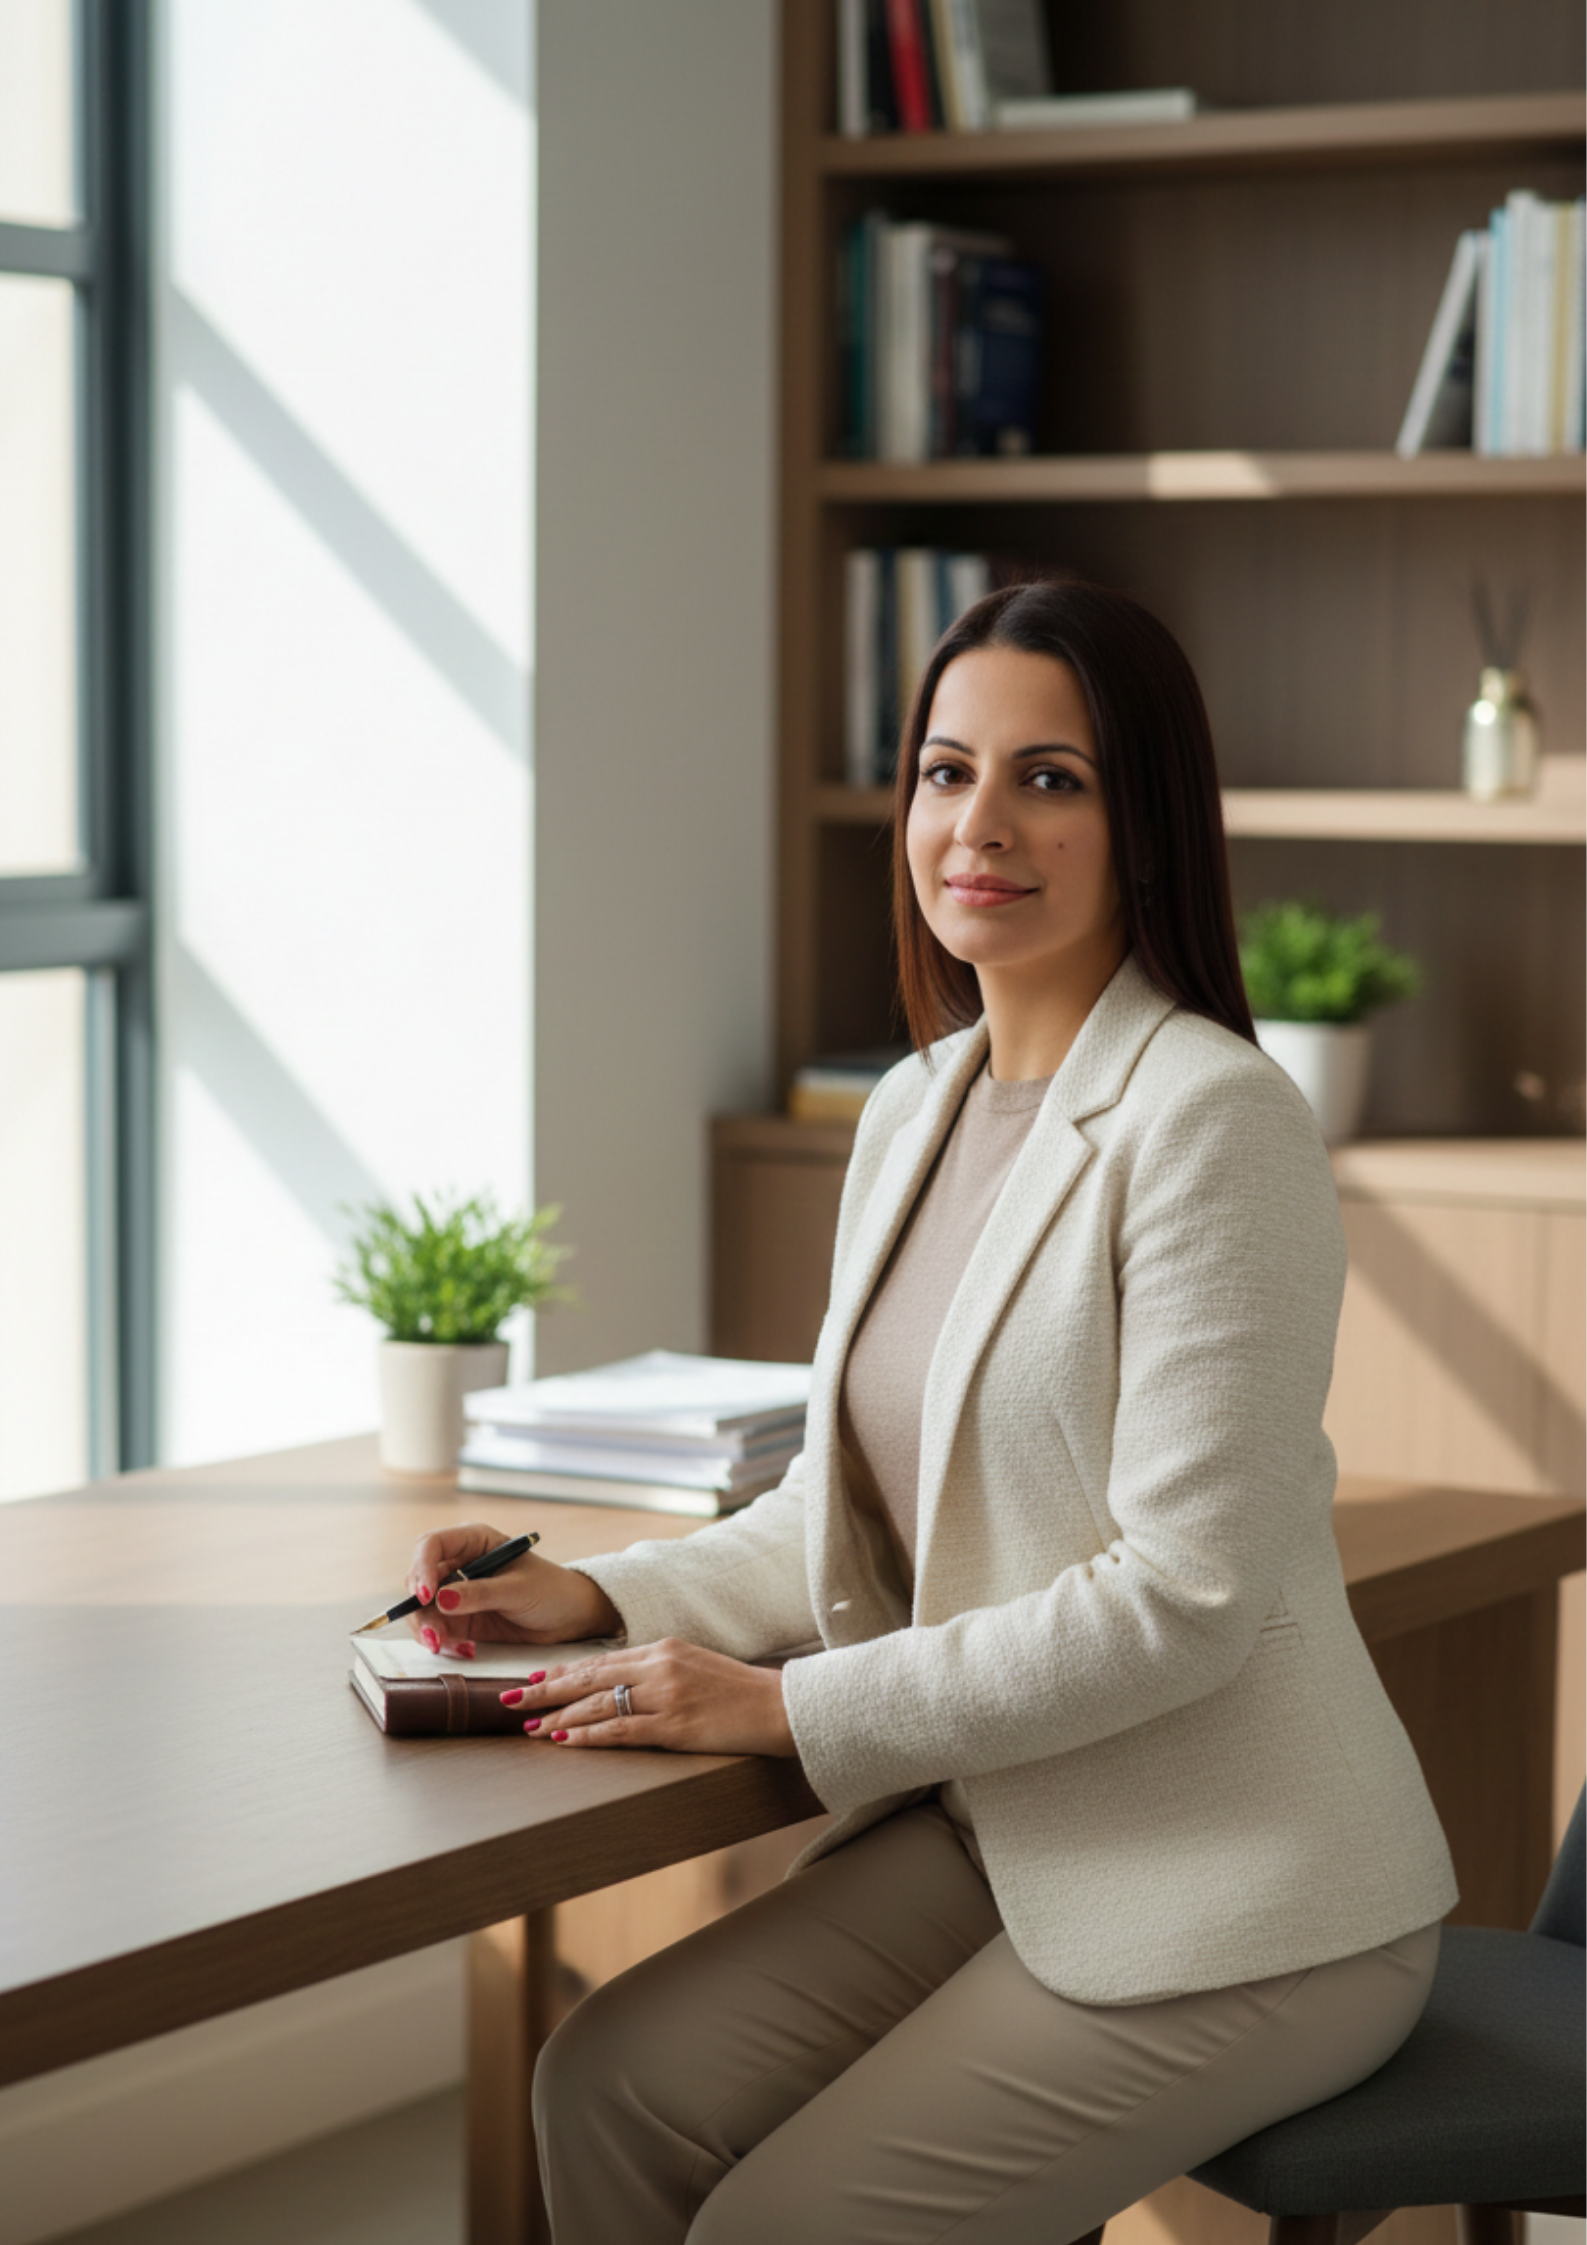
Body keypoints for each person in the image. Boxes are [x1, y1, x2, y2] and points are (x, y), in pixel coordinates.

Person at [404, 580, 1457, 2245]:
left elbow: (1180, 1603)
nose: (981, 824)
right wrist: (601, 1594)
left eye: (1052, 778)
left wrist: (782, 1715)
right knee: (605, 2085)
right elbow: (841, 1495)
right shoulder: (913, 1104)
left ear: (1146, 824)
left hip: (1245, 1888)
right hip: (1000, 1826)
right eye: (944, 772)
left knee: (788, 2223)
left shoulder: (1213, 1122)